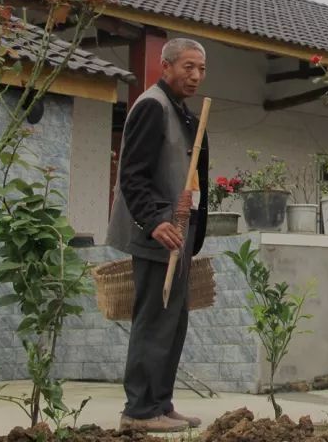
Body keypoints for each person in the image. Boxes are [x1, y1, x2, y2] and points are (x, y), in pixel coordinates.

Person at [106, 38, 209, 432]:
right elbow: (132, 175)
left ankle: (160, 404)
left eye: (200, 69)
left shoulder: (180, 110)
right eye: (188, 66)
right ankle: (139, 412)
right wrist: (152, 221)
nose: (195, 75)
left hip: (178, 231)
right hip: (158, 233)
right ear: (165, 66)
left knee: (173, 322)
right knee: (153, 319)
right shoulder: (152, 105)